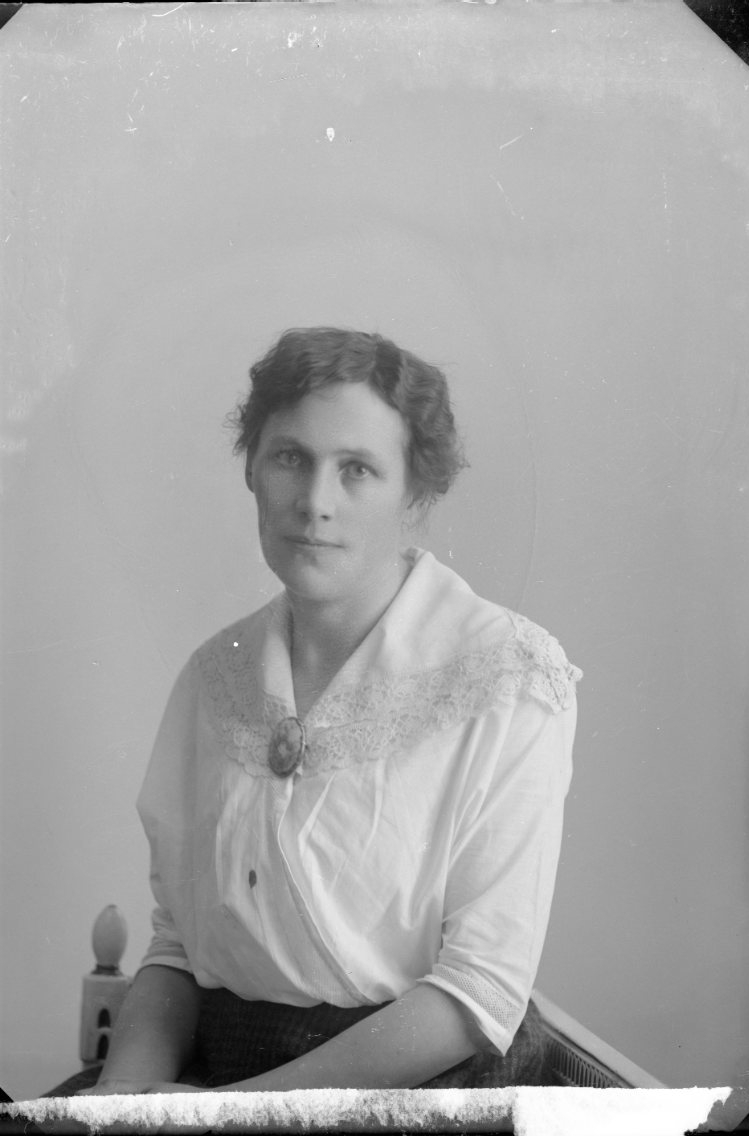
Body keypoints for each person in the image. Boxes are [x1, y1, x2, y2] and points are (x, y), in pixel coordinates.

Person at [59, 327, 581, 1095]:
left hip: (417, 1083)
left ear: (416, 494)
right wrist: (121, 1105)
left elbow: (480, 994)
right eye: (289, 458)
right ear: (251, 468)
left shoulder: (510, 677)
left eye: (357, 470)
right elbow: (177, 952)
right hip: (219, 1067)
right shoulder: (215, 677)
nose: (314, 503)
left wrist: (226, 1116)